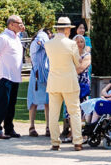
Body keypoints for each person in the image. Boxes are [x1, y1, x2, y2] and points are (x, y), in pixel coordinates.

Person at [44, 16, 82, 151]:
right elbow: (78, 62)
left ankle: (55, 142)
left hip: (54, 81)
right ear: (66, 29)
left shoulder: (48, 44)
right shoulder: (71, 44)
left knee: (53, 114)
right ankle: (77, 141)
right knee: (75, 112)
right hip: (69, 81)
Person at [0, 15, 25, 139]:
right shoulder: (2, 38)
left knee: (11, 104)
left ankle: (9, 128)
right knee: (1, 104)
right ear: (11, 24)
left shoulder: (16, 38)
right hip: (4, 75)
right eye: (19, 23)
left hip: (14, 76)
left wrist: (21, 30)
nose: (22, 25)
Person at [26, 23, 50, 136]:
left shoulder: (48, 47)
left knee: (48, 102)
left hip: (47, 75)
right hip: (36, 75)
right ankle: (31, 126)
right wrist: (42, 39)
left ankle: (48, 126)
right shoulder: (36, 43)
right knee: (33, 101)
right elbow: (40, 44)